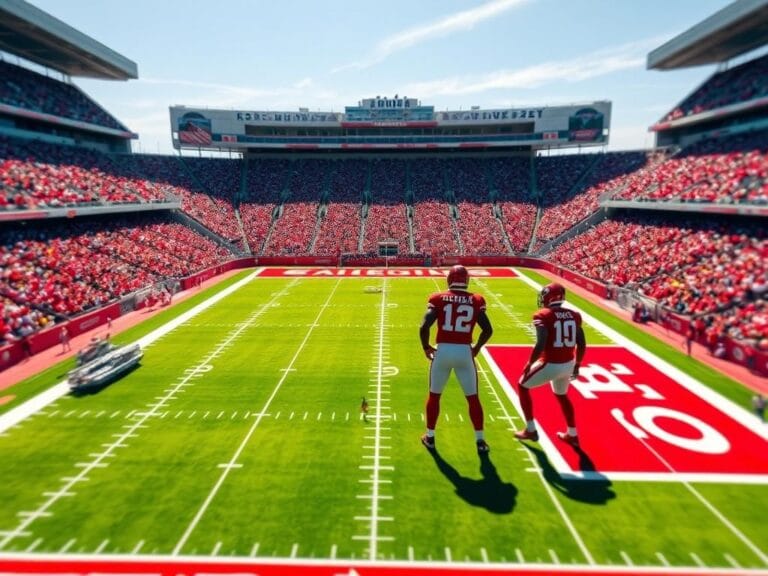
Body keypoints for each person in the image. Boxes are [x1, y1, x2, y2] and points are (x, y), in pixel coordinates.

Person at [419, 264, 493, 454]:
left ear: (449, 279)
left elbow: (424, 326)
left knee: (434, 396)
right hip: (464, 352)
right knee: (473, 398)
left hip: (443, 351)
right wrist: (476, 348)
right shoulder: (476, 299)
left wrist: (426, 347)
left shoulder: (438, 298)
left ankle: (430, 437)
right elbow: (488, 330)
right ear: (466, 280)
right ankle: (480, 440)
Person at [514, 282, 586, 447]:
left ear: (548, 297)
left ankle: (530, 429)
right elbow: (581, 344)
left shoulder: (543, 315)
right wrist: (577, 365)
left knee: (522, 386)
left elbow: (541, 344)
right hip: (568, 363)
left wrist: (530, 362)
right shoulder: (574, 315)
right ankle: (572, 434)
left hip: (550, 363)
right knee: (562, 395)